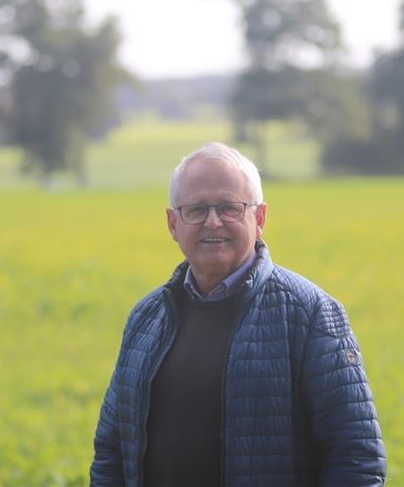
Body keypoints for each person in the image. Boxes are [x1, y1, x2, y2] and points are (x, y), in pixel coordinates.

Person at [90, 142, 386, 487]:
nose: (213, 222)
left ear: (259, 218)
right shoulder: (145, 317)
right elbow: (112, 449)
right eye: (196, 209)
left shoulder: (311, 313)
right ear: (173, 224)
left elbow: (355, 458)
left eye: (230, 208)